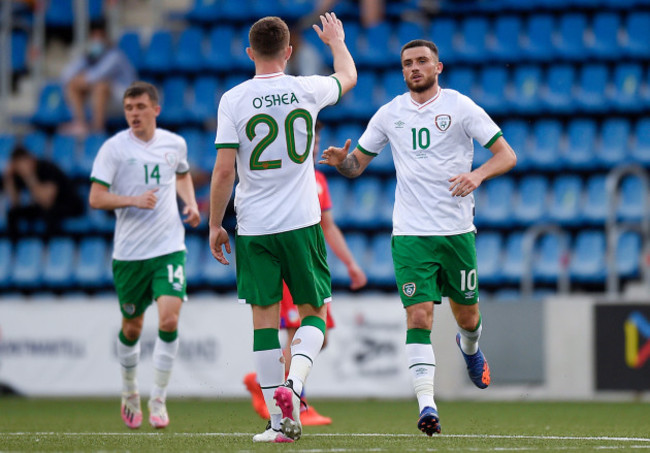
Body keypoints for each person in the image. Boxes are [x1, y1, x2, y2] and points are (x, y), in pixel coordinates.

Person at [320, 39, 517, 436]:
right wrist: (345, 164)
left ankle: (471, 349)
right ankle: (427, 406)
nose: (415, 68)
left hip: (457, 233)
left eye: (422, 61)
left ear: (438, 67)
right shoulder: (390, 114)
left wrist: (476, 175)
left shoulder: (460, 107)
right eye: (408, 63)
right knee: (419, 315)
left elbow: (507, 155)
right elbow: (358, 164)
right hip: (410, 234)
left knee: (468, 317)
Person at [209, 14, 356, 443]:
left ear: (250, 52)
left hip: (254, 226)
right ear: (289, 51)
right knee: (315, 315)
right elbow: (348, 74)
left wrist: (217, 224)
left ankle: (278, 422)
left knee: (263, 324)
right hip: (302, 223)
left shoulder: (232, 100)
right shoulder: (306, 88)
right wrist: (336, 41)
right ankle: (295, 385)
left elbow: (222, 173)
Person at [88, 81, 201, 430]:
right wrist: (132, 200)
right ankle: (129, 391)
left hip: (168, 248)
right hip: (130, 254)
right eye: (128, 109)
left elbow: (181, 175)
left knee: (168, 321)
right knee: (133, 327)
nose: (134, 114)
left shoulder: (174, 143)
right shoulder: (113, 149)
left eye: (139, 107)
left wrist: (191, 203)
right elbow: (95, 198)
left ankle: (159, 399)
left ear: (156, 109)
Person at [242, 122, 367, 426]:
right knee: (295, 333)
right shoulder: (284, 178)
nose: (313, 146)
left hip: (310, 264)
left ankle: (271, 385)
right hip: (286, 263)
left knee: (318, 336)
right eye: (308, 139)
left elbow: (328, 225)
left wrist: (350, 263)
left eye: (316, 139)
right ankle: (293, 401)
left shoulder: (319, 179)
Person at [61, 20, 136, 135]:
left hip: (124, 98)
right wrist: (85, 60)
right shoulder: (89, 56)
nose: (97, 40)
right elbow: (66, 75)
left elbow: (97, 75)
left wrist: (81, 79)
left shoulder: (115, 56)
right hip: (100, 97)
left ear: (106, 37)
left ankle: (98, 129)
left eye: (100, 36)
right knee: (72, 85)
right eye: (94, 36)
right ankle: (80, 124)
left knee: (101, 86)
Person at [3, 145, 84, 239]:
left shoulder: (46, 168)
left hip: (69, 204)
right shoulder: (18, 174)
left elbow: (47, 202)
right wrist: (8, 179)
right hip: (44, 206)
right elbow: (15, 203)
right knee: (13, 214)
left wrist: (29, 177)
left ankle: (50, 247)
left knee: (49, 214)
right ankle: (16, 248)